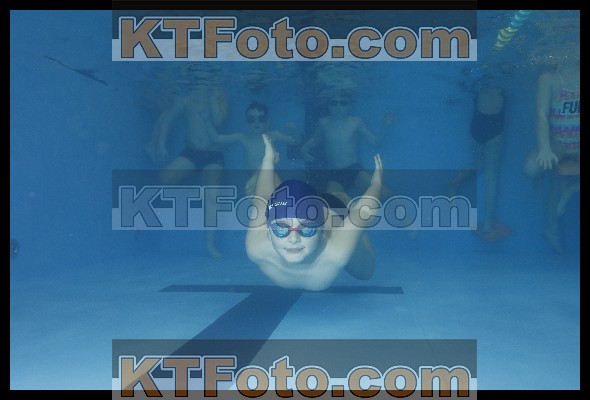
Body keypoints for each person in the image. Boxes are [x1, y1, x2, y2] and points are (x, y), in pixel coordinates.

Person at [246, 134, 382, 291]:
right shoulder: (256, 248)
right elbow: (263, 197)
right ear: (269, 233)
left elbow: (362, 214)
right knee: (273, 198)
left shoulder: (337, 251)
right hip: (306, 210)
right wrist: (268, 160)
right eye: (281, 229)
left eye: (306, 229)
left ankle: (343, 199)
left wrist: (376, 183)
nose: (294, 239)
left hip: (333, 211)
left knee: (365, 273)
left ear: (323, 233)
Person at [144, 74, 229, 258]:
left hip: (214, 155)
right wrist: (161, 144)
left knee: (212, 199)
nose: (203, 87)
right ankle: (189, 184)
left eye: (207, 84)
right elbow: (168, 119)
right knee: (164, 179)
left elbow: (218, 121)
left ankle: (210, 245)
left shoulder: (219, 93)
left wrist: (213, 99)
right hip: (192, 152)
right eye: (200, 83)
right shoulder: (185, 98)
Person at [522, 59, 580, 253]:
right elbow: (541, 115)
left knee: (558, 183)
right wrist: (545, 149)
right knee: (530, 169)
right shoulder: (549, 79)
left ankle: (570, 190)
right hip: (558, 143)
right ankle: (550, 228)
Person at [448, 78, 510, 242]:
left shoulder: (480, 77)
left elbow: (464, 86)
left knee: (478, 165)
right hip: (495, 129)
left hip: (476, 126)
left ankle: (454, 183)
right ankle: (488, 224)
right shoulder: (504, 76)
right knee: (491, 176)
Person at [300, 91, 393, 196]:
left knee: (384, 192)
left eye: (343, 103)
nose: (338, 107)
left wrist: (385, 125)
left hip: (354, 170)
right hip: (334, 173)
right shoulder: (323, 123)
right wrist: (304, 148)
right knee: (332, 202)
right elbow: (316, 141)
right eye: (334, 103)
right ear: (329, 105)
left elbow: (374, 142)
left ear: (350, 105)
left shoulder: (356, 122)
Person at [212, 101, 301, 195]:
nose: (256, 122)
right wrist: (206, 121)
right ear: (246, 123)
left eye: (261, 119)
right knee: (259, 198)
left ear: (267, 122)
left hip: (268, 174)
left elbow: (296, 141)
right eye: (251, 119)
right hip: (252, 176)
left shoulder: (273, 135)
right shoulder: (242, 137)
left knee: (273, 196)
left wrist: (294, 130)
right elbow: (217, 138)